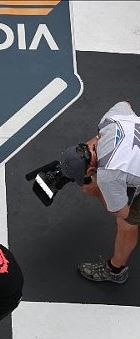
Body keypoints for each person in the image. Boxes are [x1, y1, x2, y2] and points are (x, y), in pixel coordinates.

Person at [59, 100, 140, 284]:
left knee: (128, 224)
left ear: (89, 171)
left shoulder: (107, 175)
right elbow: (124, 102)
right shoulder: (110, 120)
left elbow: (123, 213)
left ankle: (115, 271)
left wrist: (97, 191)